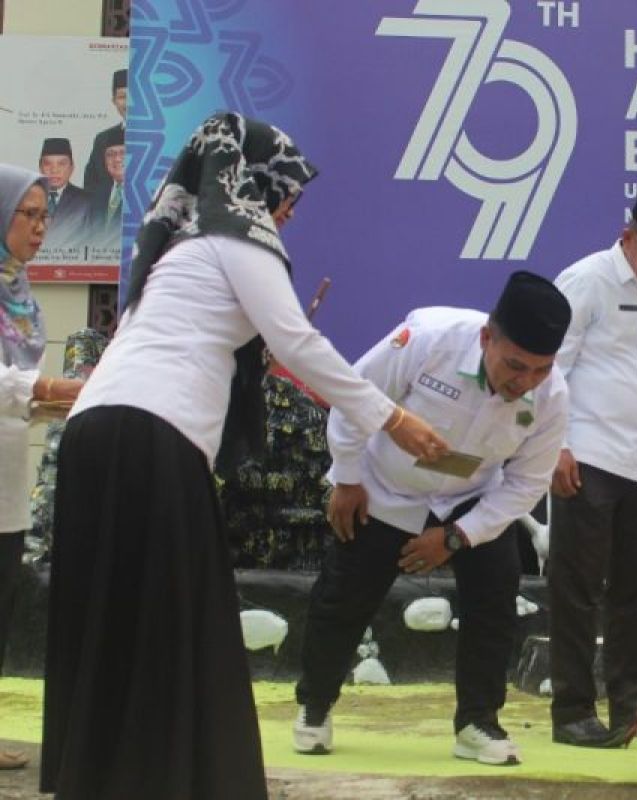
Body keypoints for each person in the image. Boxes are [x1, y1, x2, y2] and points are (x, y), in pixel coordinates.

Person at [40, 112, 450, 800]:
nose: (289, 212)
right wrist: (392, 417)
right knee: (178, 620)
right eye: (288, 195)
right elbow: (297, 344)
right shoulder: (239, 238)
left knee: (114, 614)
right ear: (258, 186)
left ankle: (106, 778)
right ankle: (172, 780)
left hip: (94, 435)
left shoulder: (176, 250)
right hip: (152, 437)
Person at [293, 271, 571, 766]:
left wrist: (457, 537)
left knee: (496, 589)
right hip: (383, 488)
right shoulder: (427, 340)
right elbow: (357, 398)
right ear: (487, 337)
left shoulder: (552, 397)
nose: (523, 382)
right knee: (342, 596)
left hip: (469, 497)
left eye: (539, 370)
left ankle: (477, 724)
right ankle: (314, 707)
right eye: (514, 366)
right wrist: (347, 477)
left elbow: (527, 484)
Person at [548, 184, 637, 747]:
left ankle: (630, 701)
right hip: (586, 454)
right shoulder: (585, 281)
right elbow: (548, 370)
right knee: (576, 586)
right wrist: (555, 446)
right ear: (627, 236)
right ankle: (571, 710)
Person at [0, 165, 83, 771]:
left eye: (42, 215)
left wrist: (57, 402)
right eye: (25, 214)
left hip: (6, 479)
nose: (38, 227)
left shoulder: (20, 295)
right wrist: (50, 387)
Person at [37, 138, 92, 252]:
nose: (54, 170)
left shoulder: (86, 201)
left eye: (61, 164)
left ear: (72, 168)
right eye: (48, 164)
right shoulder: (26, 198)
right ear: (40, 168)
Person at [83, 69, 127, 199]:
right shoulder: (102, 139)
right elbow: (90, 185)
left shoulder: (158, 137)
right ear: (114, 101)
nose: (128, 103)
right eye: (122, 97)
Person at [88, 138, 124, 250]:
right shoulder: (96, 194)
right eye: (110, 154)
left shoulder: (144, 195)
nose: (117, 159)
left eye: (123, 153)